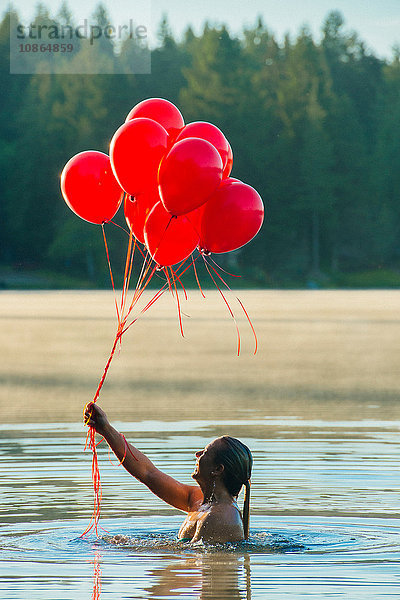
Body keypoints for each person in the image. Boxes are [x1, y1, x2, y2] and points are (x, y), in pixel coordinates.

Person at [84, 402, 253, 543]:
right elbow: (148, 473)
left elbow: (192, 560)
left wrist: (131, 546)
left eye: (205, 452)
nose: (198, 454)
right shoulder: (200, 500)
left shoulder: (222, 516)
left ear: (218, 470)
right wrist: (105, 428)